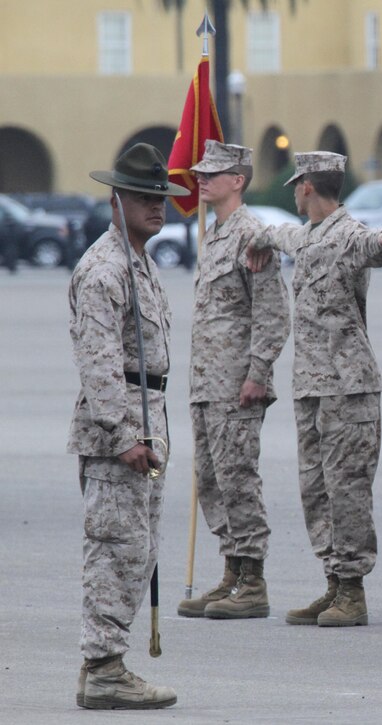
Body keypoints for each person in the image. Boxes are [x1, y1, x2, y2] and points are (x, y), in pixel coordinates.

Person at [248, 151, 382, 628]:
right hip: (312, 386)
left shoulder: (348, 234)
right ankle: (333, 581)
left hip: (347, 388)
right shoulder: (309, 236)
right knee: (316, 488)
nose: (293, 192)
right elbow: (283, 235)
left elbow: (375, 246)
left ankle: (352, 589)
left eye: (296, 185)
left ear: (307, 186)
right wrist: (262, 237)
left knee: (346, 490)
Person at [70, 143, 186, 709]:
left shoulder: (139, 259)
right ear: (116, 200)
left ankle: (106, 665)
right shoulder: (104, 269)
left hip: (146, 421)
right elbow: (98, 364)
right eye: (143, 197)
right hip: (119, 432)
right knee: (115, 548)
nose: (156, 207)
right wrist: (123, 437)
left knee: (137, 549)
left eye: (160, 197)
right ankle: (103, 666)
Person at [177, 141, 290, 621]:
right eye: (201, 173)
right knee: (210, 479)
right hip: (207, 383)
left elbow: (272, 313)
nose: (201, 180)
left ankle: (253, 580)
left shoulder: (252, 236)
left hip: (236, 385)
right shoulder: (215, 233)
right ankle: (231, 569)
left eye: (213, 174)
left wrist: (258, 374)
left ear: (238, 180)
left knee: (238, 479)